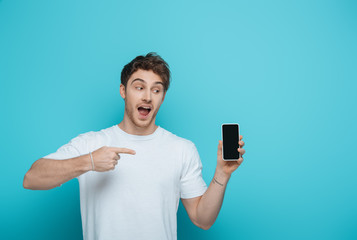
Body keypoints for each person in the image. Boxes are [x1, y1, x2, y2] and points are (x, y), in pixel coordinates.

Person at [23, 52, 246, 240]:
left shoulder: (182, 149)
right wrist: (88, 161)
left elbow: (203, 219)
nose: (148, 96)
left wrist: (222, 175)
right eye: (139, 87)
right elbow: (31, 178)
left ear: (163, 97)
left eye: (156, 90)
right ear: (123, 91)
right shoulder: (91, 143)